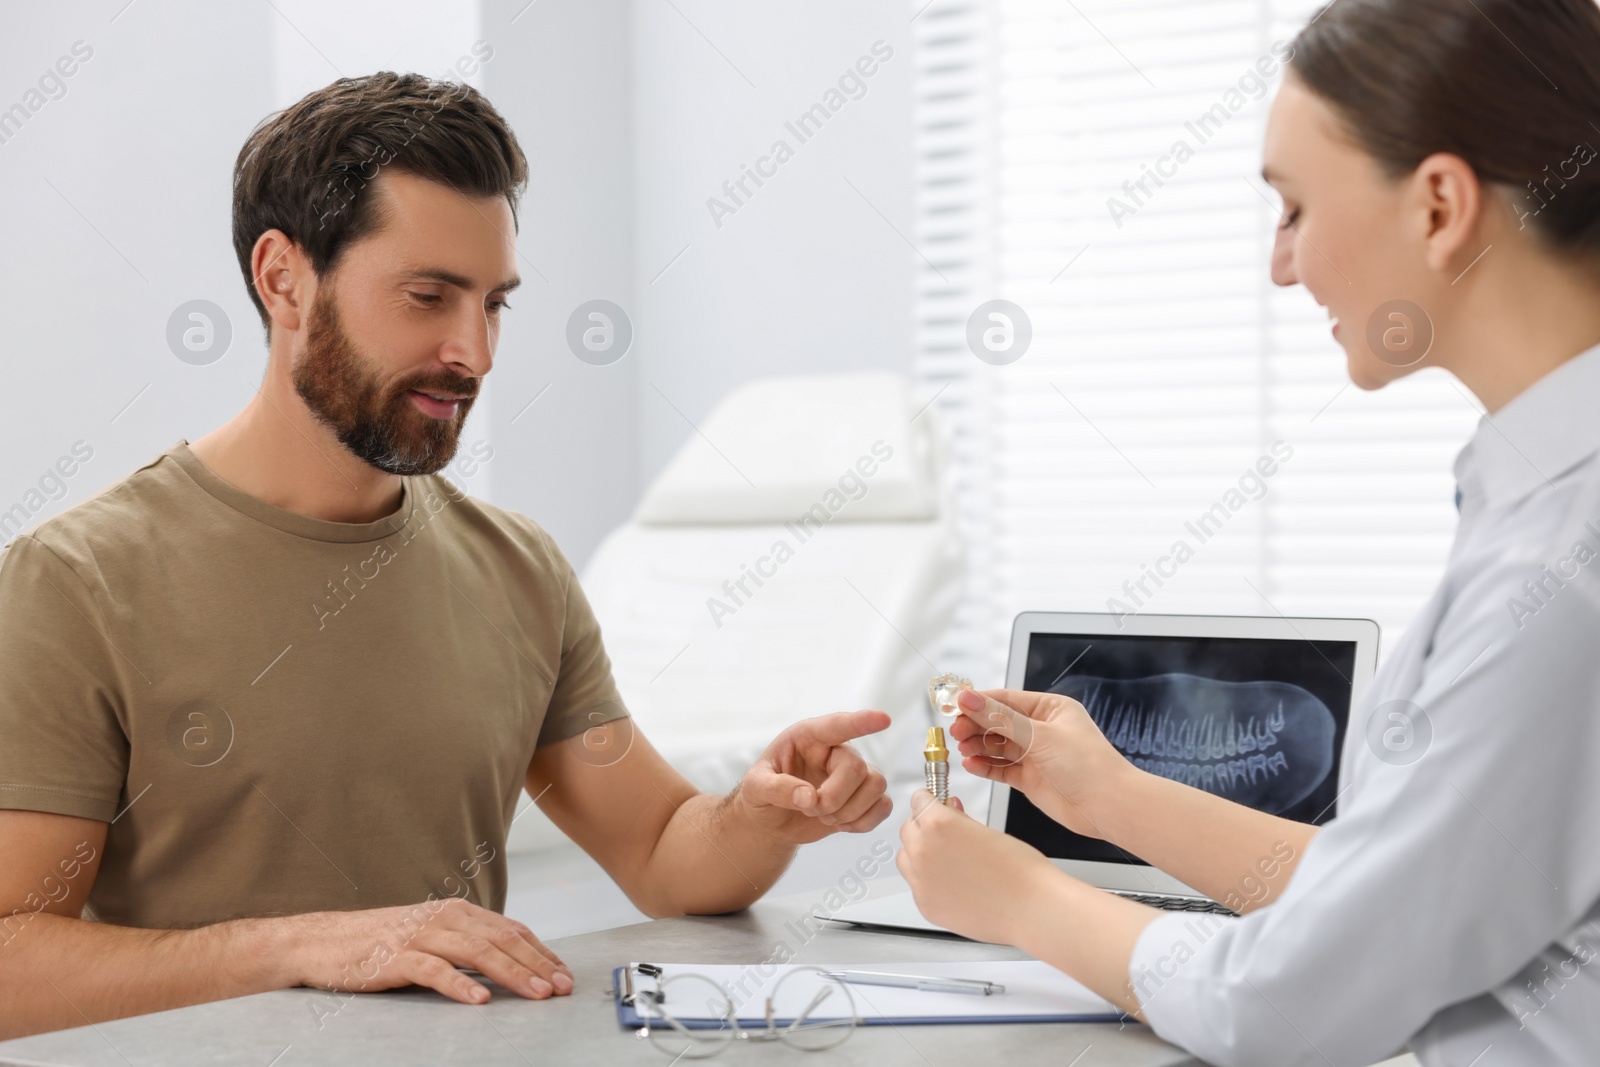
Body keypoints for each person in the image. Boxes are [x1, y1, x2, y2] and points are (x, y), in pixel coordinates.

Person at [0, 72, 892, 1039]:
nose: (474, 351)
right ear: (283, 277)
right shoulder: (74, 583)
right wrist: (299, 947)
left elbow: (665, 851)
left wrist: (762, 815)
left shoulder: (517, 569)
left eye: (494, 303)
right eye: (428, 296)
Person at [897, 1, 1600, 1064]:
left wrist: (1021, 896)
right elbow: (1398, 893)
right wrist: (1105, 795)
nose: (1282, 266)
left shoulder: (1558, 567)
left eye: (1294, 208)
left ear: (1440, 205)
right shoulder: (1538, 504)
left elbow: (1291, 999)